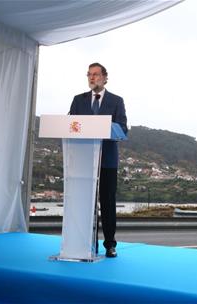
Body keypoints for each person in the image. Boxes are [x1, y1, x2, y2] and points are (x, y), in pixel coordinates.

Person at [69, 62, 127, 258]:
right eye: (89, 75)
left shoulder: (117, 101)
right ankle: (87, 244)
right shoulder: (78, 100)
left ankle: (110, 245)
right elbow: (71, 125)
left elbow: (123, 128)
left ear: (104, 77)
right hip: (84, 161)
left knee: (108, 203)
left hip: (107, 161)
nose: (92, 78)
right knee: (86, 204)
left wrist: (104, 127)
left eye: (95, 74)